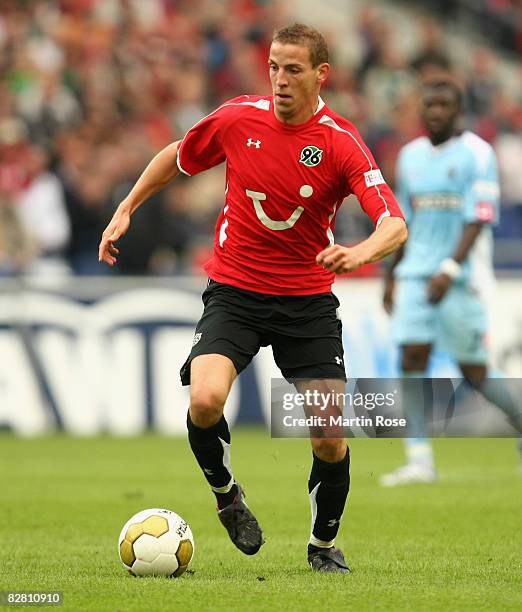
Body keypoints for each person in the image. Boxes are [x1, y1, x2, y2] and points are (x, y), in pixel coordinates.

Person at [99, 23, 407, 572]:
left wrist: (359, 254)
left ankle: (321, 545)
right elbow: (178, 154)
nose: (281, 80)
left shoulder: (340, 141)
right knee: (204, 399)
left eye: (293, 69)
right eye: (273, 67)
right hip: (235, 290)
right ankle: (227, 497)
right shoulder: (239, 118)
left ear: (321, 74)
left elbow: (394, 224)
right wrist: (127, 206)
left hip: (306, 301)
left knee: (329, 436)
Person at [381, 80, 522, 487]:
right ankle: (419, 459)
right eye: (429, 104)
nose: (436, 111)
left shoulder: (478, 154)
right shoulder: (410, 157)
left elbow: (478, 218)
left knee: (474, 370)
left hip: (462, 278)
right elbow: (404, 219)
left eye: (444, 104)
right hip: (415, 276)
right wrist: (391, 275)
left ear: (458, 110)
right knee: (411, 357)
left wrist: (449, 268)